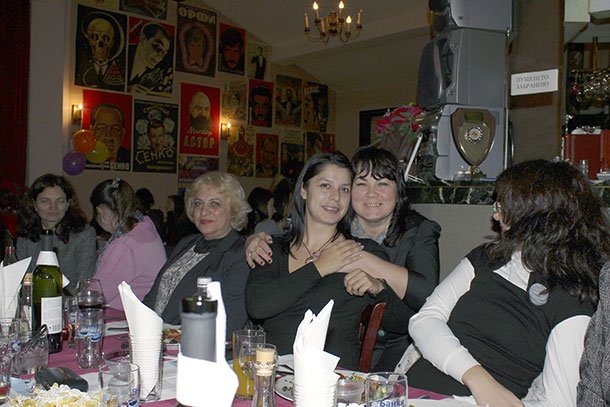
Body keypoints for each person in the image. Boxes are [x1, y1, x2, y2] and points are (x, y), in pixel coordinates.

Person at [402, 160, 610, 406]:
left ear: (535, 216)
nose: (496, 215)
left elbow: (559, 401)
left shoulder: (571, 299)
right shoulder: (488, 257)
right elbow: (424, 320)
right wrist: (477, 378)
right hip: (410, 392)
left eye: (503, 207)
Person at [246, 147, 441, 370]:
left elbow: (404, 322)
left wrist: (379, 290)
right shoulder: (270, 247)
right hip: (271, 375)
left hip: (334, 380)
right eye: (325, 185)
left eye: (344, 189)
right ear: (304, 190)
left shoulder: (362, 252)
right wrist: (321, 266)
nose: (335, 196)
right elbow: (257, 307)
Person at [143, 171, 251, 338]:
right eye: (198, 203)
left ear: (233, 210)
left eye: (214, 204)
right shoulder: (187, 242)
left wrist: (168, 336)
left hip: (192, 344)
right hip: (150, 337)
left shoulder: (239, 253)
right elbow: (154, 295)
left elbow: (229, 323)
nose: (203, 211)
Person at [91, 178, 166, 310]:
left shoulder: (124, 245)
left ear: (100, 211)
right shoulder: (146, 225)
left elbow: (96, 295)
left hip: (126, 317)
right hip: (149, 311)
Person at [16, 174, 97, 293]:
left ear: (68, 204)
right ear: (34, 204)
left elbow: (84, 282)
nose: (53, 207)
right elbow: (23, 282)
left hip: (71, 301)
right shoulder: (25, 236)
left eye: (60, 201)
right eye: (45, 201)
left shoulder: (84, 234)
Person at [128, 22, 171, 93]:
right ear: (143, 40)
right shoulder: (124, 53)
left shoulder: (153, 74)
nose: (160, 58)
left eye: (164, 53)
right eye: (157, 47)